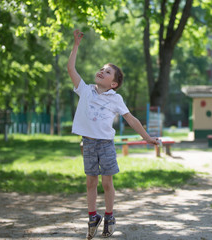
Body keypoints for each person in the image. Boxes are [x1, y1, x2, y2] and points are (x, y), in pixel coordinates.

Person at [67, 29, 159, 239]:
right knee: (91, 182)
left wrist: (146, 137)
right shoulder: (85, 89)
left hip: (106, 144)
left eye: (107, 72)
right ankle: (92, 217)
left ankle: (109, 216)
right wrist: (76, 45)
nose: (101, 71)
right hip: (88, 143)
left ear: (114, 83)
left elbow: (131, 119)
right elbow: (70, 68)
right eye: (101, 69)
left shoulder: (115, 98)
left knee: (107, 183)